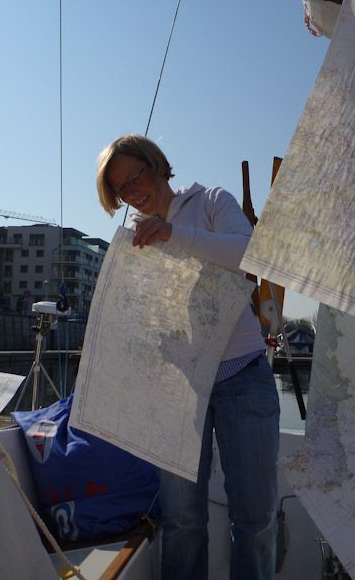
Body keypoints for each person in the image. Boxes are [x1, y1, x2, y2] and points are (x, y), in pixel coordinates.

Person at [96, 134, 280, 579]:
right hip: (178, 385)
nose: (132, 192)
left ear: (157, 165)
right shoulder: (132, 242)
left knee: (254, 520)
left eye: (135, 176)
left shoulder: (212, 201)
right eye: (121, 189)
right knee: (181, 520)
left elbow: (248, 254)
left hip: (243, 374)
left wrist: (174, 233)